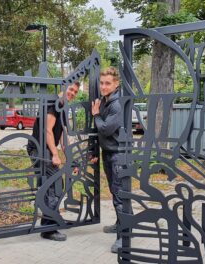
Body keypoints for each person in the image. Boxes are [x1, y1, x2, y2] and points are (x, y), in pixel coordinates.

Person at [26, 81, 80, 242]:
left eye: (75, 92)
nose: (72, 93)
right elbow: (47, 130)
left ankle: (49, 223)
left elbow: (63, 137)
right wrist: (55, 155)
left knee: (49, 185)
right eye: (71, 89)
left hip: (45, 150)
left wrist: (71, 160)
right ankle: (49, 227)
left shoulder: (63, 107)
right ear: (63, 88)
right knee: (55, 185)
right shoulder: (53, 103)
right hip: (39, 150)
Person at [91, 67, 125, 253]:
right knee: (115, 192)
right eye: (102, 83)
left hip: (119, 154)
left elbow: (104, 130)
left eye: (107, 83)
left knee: (120, 195)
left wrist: (95, 114)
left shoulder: (116, 104)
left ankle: (123, 238)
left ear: (116, 84)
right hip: (108, 153)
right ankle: (123, 224)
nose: (103, 86)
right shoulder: (105, 101)